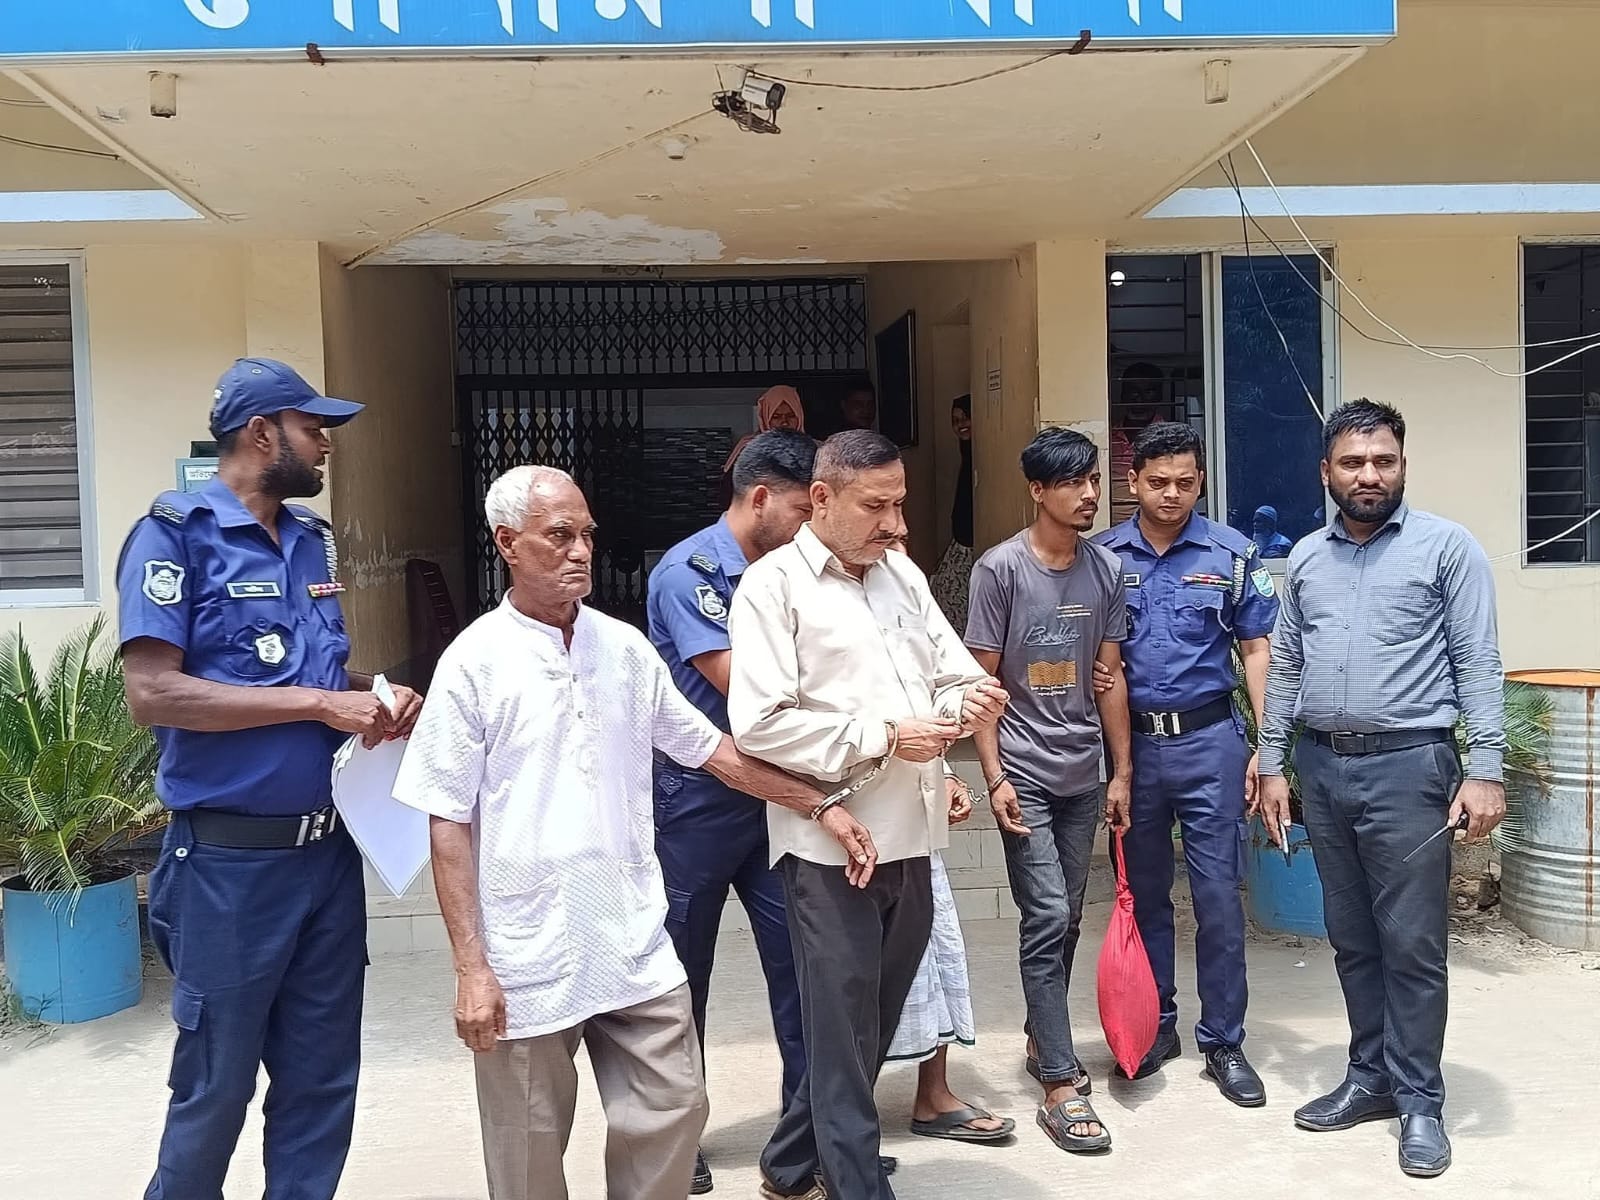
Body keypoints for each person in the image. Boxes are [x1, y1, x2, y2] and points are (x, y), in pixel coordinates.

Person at [392, 466, 878, 1200]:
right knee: (526, 1151)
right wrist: (472, 968)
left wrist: (819, 804)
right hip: (527, 949)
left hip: (631, 935)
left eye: (587, 535)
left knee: (675, 1105)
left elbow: (712, 751)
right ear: (507, 543)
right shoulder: (473, 662)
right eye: (559, 535)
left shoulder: (621, 648)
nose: (580, 551)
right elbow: (447, 819)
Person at [117, 357, 423, 1200]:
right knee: (214, 1088)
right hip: (228, 867)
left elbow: (308, 674)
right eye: (312, 428)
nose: (325, 444)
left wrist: (374, 697)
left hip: (326, 859)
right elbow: (153, 692)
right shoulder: (175, 535)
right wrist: (324, 704)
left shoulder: (311, 539)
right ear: (261, 433)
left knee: (322, 1083)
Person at [727, 430, 1008, 1200]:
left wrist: (968, 701)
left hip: (913, 837)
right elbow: (759, 725)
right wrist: (885, 736)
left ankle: (789, 1165)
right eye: (877, 506)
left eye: (900, 504)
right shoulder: (773, 588)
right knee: (843, 1026)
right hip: (831, 847)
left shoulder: (902, 576)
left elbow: (948, 674)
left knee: (870, 1024)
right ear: (821, 499)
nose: (897, 524)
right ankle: (853, 1183)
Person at [1257, 399, 1507, 1180]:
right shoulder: (1306, 557)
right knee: (1353, 938)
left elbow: (1477, 659)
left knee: (1413, 944)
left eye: (1383, 461)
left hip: (1410, 768)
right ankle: (1370, 1078)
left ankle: (1421, 1101)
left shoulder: (1446, 548)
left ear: (1402, 465)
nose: (1369, 475)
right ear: (1325, 472)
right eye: (1353, 462)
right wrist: (1271, 763)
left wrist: (1485, 768)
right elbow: (1287, 663)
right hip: (1324, 767)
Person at [646, 429, 817, 1195]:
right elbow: (744, 684)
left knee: (804, 967)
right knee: (681, 976)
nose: (811, 524)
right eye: (802, 508)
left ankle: (808, 1138)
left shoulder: (795, 573)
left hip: (777, 796)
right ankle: (676, 1141)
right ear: (761, 498)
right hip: (698, 801)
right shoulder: (692, 571)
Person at [1091, 422, 1279, 1104]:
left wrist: (1267, 747)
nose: (1171, 494)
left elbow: (1256, 650)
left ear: (1201, 482)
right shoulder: (1102, 558)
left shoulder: (1232, 554)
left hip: (1211, 745)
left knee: (1217, 898)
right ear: (1133, 482)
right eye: (1157, 482)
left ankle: (1223, 1041)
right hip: (1134, 750)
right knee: (1143, 896)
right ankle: (1155, 1025)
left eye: (1185, 482)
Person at [964, 426, 1131, 1155]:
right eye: (1072, 483)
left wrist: (1121, 771)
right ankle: (1060, 1081)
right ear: (1038, 490)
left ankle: (1043, 1036)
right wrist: (994, 776)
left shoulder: (1106, 570)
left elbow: (1110, 677)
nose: (1089, 495)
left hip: (1082, 772)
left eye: (1093, 480)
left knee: (1064, 921)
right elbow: (980, 683)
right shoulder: (999, 570)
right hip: (1024, 770)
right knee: (1048, 913)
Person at [929, 395, 976, 633]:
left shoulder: (979, 455)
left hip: (969, 545)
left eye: (966, 417)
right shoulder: (968, 453)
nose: (961, 424)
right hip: (962, 544)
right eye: (955, 420)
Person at [718, 385, 806, 509]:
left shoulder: (812, 449)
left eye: (791, 416)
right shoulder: (750, 448)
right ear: (765, 418)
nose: (784, 422)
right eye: (776, 417)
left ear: (799, 416)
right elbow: (730, 493)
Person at [1109, 362, 1167, 525]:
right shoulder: (1107, 438)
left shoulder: (1173, 441)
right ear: (1123, 394)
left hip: (1156, 527)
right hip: (1110, 527)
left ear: (1159, 395)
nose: (1140, 398)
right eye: (1133, 391)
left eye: (1149, 391)